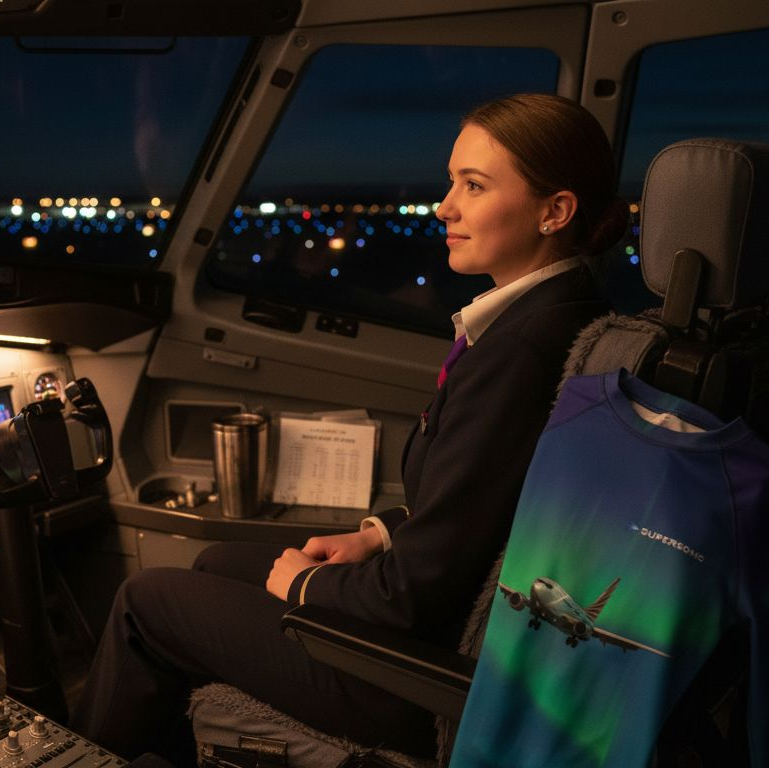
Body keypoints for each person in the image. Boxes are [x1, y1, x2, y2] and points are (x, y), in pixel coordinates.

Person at [70, 93, 630, 761]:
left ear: (555, 211)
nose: (443, 206)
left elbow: (413, 598)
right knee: (217, 561)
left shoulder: (518, 353)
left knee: (145, 601)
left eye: (473, 186)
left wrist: (305, 587)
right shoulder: (558, 316)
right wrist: (378, 533)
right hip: (449, 627)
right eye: (452, 181)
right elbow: (490, 502)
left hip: (420, 679)